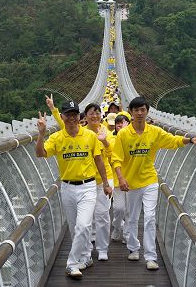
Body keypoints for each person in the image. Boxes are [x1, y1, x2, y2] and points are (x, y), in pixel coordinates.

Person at [111, 97, 196, 270]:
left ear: (147, 111)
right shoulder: (123, 134)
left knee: (149, 217)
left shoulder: (154, 131)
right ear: (130, 113)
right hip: (131, 183)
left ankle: (151, 257)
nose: (140, 113)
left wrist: (190, 140)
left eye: (143, 110)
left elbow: (171, 140)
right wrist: (121, 178)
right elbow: (116, 159)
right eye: (136, 110)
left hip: (149, 180)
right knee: (132, 218)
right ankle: (133, 248)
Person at [36, 101, 113, 278]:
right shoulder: (56, 137)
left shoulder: (89, 136)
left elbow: (99, 160)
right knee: (74, 227)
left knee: (84, 224)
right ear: (62, 117)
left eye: (74, 114)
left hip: (88, 186)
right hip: (67, 187)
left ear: (80, 117)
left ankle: (71, 264)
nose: (71, 118)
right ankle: (86, 257)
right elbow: (40, 154)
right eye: (67, 115)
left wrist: (107, 184)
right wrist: (41, 135)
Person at [83, 103, 115, 261]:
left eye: (97, 113)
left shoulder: (106, 132)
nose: (94, 116)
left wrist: (105, 142)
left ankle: (102, 248)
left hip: (105, 179)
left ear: (101, 115)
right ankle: (87, 248)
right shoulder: (81, 133)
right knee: (87, 217)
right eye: (91, 113)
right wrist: (54, 111)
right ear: (85, 116)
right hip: (87, 180)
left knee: (102, 214)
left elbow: (112, 154)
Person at [110, 113, 131, 243]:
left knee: (129, 211)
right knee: (119, 208)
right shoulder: (112, 139)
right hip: (117, 179)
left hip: (132, 179)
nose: (120, 125)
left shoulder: (134, 137)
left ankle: (127, 235)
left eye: (123, 123)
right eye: (118, 123)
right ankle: (117, 227)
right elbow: (114, 153)